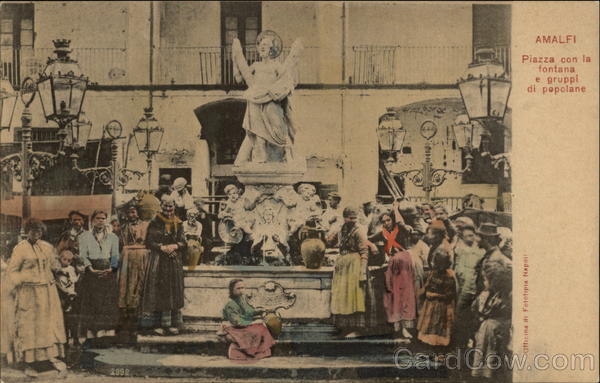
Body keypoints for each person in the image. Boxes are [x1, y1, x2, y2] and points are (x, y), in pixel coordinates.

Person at [4, 219, 66, 375]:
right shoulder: (20, 248)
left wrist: (60, 271)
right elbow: (12, 272)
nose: (36, 233)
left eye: (38, 231)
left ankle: (45, 359)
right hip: (29, 293)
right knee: (30, 326)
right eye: (33, 230)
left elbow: (54, 265)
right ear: (27, 231)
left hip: (47, 292)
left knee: (46, 325)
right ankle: (28, 362)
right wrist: (24, 280)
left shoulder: (46, 247)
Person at [232, 30, 302, 164]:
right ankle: (260, 157)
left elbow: (288, 80)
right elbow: (239, 79)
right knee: (258, 131)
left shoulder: (276, 66)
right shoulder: (255, 66)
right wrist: (236, 62)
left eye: (266, 45)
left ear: (272, 50)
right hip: (255, 100)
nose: (262, 47)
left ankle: (286, 153)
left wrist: (293, 68)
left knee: (279, 127)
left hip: (271, 100)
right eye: (261, 45)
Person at [141, 195, 186, 335]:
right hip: (159, 261)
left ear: (174, 206)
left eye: (171, 206)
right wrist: (163, 248)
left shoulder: (178, 222)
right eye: (165, 206)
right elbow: (149, 241)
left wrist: (175, 246)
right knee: (158, 291)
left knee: (173, 291)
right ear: (161, 206)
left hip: (173, 262)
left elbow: (184, 242)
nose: (168, 209)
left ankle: (171, 324)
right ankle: (156, 325)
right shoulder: (155, 221)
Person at [327, 206, 369, 338]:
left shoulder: (359, 230)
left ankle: (356, 329)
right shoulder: (341, 228)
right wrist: (334, 228)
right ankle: (343, 327)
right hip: (342, 265)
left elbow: (364, 252)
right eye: (350, 218)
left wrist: (362, 271)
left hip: (354, 265)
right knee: (341, 296)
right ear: (344, 218)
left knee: (353, 296)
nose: (353, 220)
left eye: (354, 218)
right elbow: (329, 241)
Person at [78, 210, 120, 338]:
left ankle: (106, 333)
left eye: (103, 218)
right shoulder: (84, 236)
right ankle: (92, 333)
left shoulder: (113, 237)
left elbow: (115, 256)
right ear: (92, 220)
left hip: (107, 271)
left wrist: (112, 269)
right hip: (92, 271)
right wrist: (90, 269)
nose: (100, 221)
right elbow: (82, 256)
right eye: (97, 218)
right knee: (92, 302)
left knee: (107, 302)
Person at [471, 260, 512, 379]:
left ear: (493, 282)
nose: (484, 282)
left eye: (485, 280)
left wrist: (480, 302)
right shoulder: (504, 296)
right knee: (495, 353)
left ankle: (484, 375)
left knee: (487, 351)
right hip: (500, 328)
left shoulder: (489, 296)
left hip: (489, 329)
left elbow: (480, 310)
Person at [116, 204, 150, 343]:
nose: (132, 215)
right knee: (126, 285)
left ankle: (140, 322)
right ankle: (126, 323)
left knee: (139, 284)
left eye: (134, 212)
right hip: (127, 257)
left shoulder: (146, 225)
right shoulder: (123, 227)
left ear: (138, 213)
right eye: (129, 213)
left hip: (141, 255)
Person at [220, 279, 276, 361]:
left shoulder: (242, 301)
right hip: (233, 327)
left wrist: (260, 311)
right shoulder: (230, 304)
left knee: (262, 328)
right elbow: (237, 322)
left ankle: (260, 352)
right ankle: (241, 351)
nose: (241, 291)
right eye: (238, 288)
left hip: (242, 325)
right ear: (232, 290)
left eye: (243, 288)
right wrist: (253, 322)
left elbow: (249, 312)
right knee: (258, 329)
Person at [417, 246, 457, 349]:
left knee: (439, 324)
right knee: (430, 323)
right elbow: (426, 286)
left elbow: (450, 295)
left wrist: (434, 295)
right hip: (430, 304)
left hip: (442, 305)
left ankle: (438, 345)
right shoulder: (432, 273)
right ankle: (430, 344)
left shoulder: (449, 276)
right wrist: (423, 293)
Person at [452, 224, 485, 347]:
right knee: (460, 315)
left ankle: (468, 340)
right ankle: (461, 342)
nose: (472, 238)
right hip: (461, 287)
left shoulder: (480, 251)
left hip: (472, 288)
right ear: (463, 237)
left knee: (471, 315)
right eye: (468, 236)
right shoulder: (460, 249)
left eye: (473, 235)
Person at [385, 246, 417, 340]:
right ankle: (404, 329)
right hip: (407, 281)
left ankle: (398, 331)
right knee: (405, 305)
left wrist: (388, 286)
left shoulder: (394, 258)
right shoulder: (408, 255)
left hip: (396, 283)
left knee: (396, 306)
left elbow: (389, 274)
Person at [474, 223, 512, 296]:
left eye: (479, 236)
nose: (476, 240)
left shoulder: (495, 259)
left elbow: (494, 289)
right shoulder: (490, 256)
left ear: (487, 239)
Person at [55, 249, 80, 345]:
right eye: (64, 259)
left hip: (71, 295)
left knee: (72, 318)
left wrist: (67, 274)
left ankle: (75, 338)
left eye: (69, 260)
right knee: (63, 318)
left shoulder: (71, 269)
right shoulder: (57, 269)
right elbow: (56, 282)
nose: (66, 262)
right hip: (62, 295)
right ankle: (64, 339)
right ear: (60, 258)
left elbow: (74, 280)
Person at [406, 227, 430, 309]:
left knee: (419, 293)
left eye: (416, 234)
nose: (414, 236)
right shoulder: (409, 245)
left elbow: (426, 263)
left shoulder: (423, 246)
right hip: (410, 272)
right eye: (412, 235)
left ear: (419, 236)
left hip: (420, 273)